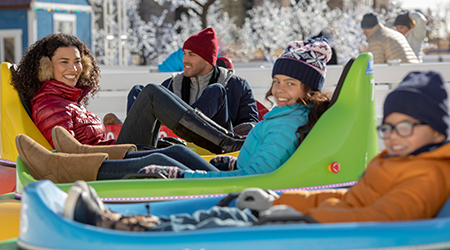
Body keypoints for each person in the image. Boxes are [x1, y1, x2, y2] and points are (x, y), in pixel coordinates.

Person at [61, 71, 450, 231]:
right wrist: (288, 202)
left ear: (436, 129)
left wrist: (291, 214)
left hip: (318, 234)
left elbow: (382, 221)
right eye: (388, 127)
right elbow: (349, 199)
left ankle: (122, 226)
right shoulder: (395, 161)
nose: (393, 137)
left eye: (404, 127)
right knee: (207, 196)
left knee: (220, 220)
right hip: (308, 219)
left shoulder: (428, 174)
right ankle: (89, 180)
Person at [15, 38, 332, 182]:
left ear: (309, 91)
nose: (278, 90)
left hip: (234, 179)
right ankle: (71, 160)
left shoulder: (285, 121)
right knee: (152, 110)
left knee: (161, 155)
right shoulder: (52, 101)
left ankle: (70, 163)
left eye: (289, 84)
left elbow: (254, 178)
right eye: (277, 81)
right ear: (46, 67)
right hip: (232, 172)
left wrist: (187, 173)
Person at [123, 27, 258, 138]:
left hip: (215, 141)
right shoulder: (172, 84)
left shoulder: (236, 85)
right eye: (184, 53)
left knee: (216, 90)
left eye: (191, 54)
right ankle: (131, 136)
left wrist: (243, 129)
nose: (185, 60)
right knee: (138, 91)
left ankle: (188, 128)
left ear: (207, 59)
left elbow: (251, 123)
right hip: (175, 142)